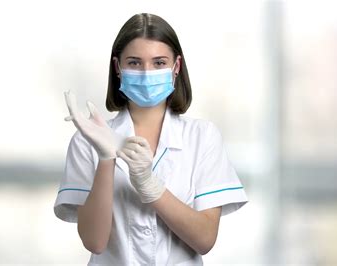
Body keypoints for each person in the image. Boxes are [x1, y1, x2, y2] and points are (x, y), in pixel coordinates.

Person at [54, 13, 248, 265]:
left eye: (159, 63)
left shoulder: (202, 137)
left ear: (176, 67)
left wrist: (150, 185)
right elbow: (94, 241)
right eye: (134, 63)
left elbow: (205, 239)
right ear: (117, 68)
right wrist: (105, 158)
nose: (147, 73)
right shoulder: (88, 142)